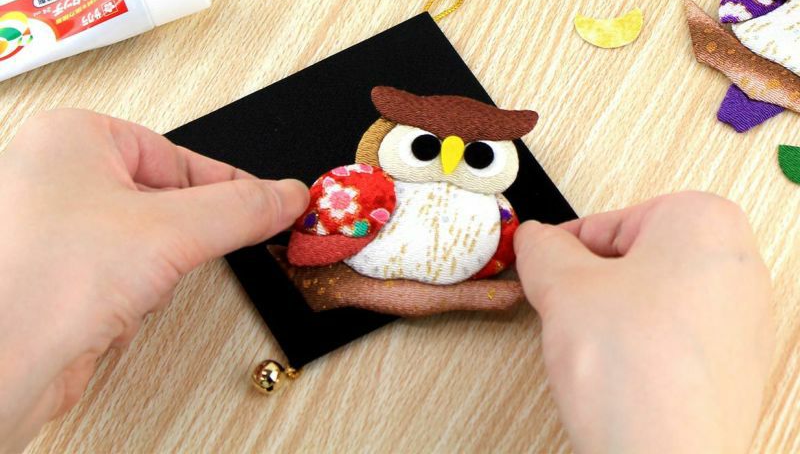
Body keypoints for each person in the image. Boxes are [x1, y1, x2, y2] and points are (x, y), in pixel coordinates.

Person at [0, 111, 774, 454]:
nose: (449, 162)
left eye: (472, 155)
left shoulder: (498, 220)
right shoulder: (365, 187)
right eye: (430, 147)